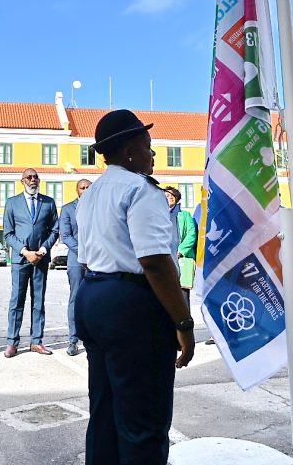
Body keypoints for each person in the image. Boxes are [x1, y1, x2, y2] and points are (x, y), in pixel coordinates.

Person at [76, 109, 195, 464]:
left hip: (93, 295)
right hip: (131, 305)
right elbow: (156, 262)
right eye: (148, 145)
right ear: (129, 151)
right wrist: (183, 323)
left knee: (105, 412)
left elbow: (87, 255)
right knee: (144, 421)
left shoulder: (92, 193)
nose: (153, 154)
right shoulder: (141, 191)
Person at [2, 168, 60, 357]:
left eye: (35, 177)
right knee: (16, 301)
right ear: (22, 181)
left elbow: (54, 230)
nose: (33, 180)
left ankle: (36, 341)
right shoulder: (12, 203)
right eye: (29, 177)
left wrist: (42, 250)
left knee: (39, 301)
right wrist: (26, 252)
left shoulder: (48, 203)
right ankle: (12, 342)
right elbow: (8, 234)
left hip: (41, 260)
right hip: (21, 259)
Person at [59, 178, 91, 356]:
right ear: (77, 190)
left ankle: (92, 338)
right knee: (76, 299)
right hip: (76, 260)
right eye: (82, 188)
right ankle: (73, 339)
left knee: (95, 299)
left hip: (96, 259)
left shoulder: (97, 208)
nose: (85, 190)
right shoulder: (68, 209)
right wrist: (84, 251)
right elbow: (66, 235)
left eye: (88, 188)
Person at [163, 186, 197, 309]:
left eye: (172, 196)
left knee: (182, 293)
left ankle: (185, 323)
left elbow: (191, 234)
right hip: (164, 256)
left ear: (177, 199)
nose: (169, 197)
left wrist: (181, 251)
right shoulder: (158, 215)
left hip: (180, 257)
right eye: (166, 196)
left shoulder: (185, 215)